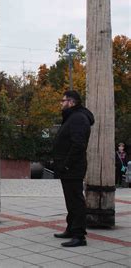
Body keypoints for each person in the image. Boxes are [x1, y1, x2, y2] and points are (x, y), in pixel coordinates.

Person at [52, 90, 94, 247]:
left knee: (76, 201)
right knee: (71, 200)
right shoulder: (73, 117)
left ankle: (79, 236)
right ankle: (71, 228)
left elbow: (78, 145)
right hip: (69, 168)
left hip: (73, 168)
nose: (61, 103)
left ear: (71, 102)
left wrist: (66, 164)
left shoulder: (78, 118)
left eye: (63, 101)